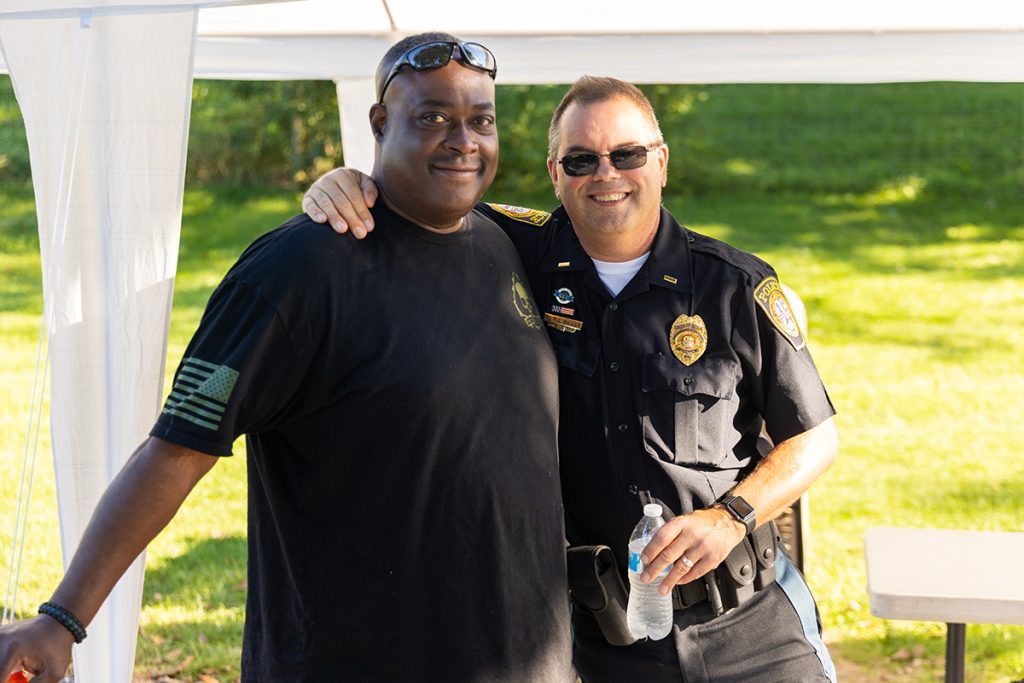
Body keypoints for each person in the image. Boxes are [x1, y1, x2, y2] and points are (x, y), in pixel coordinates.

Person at [0, 33, 574, 683]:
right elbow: (177, 445)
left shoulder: (514, 246)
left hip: (524, 663)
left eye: (480, 120)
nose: (463, 140)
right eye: (433, 117)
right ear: (380, 124)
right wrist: (62, 617)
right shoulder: (296, 270)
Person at [303, 75, 840, 682]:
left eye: (627, 155)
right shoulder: (507, 248)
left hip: (749, 624)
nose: (605, 175)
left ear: (660, 161)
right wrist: (349, 184)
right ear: (555, 173)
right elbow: (418, 196)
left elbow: (815, 439)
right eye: (582, 160)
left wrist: (729, 517)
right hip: (605, 637)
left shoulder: (733, 286)